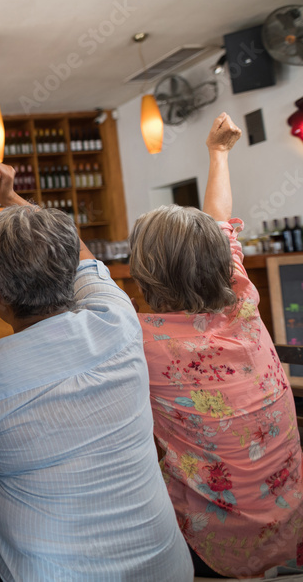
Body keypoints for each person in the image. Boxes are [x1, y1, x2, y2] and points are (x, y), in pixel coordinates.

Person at [0, 161, 193, 581]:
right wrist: (11, 199)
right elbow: (84, 259)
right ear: (71, 276)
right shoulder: (119, 320)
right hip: (167, 567)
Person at [129, 113, 303, 578]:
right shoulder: (242, 300)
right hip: (292, 524)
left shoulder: (141, 341)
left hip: (218, 550)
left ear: (143, 274)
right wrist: (219, 153)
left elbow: (80, 271)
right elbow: (221, 221)